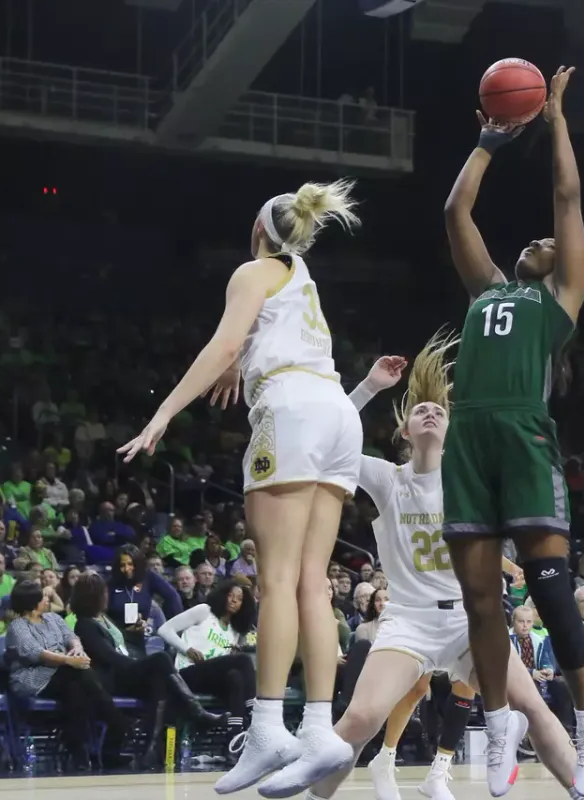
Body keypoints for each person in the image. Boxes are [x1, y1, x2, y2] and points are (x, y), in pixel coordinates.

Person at [118, 179, 362, 794]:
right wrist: (239, 358)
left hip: (292, 409)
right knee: (314, 580)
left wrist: (164, 413)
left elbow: (227, 337)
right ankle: (316, 729)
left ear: (258, 232)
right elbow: (259, 335)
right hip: (339, 413)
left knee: (276, 580)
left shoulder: (251, 271)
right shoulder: (301, 274)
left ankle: (267, 728)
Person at [261, 344, 581, 800]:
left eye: (438, 411)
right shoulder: (387, 479)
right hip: (409, 621)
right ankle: (315, 796)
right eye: (420, 411)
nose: (430, 412)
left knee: (532, 706)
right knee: (360, 719)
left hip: (470, 620)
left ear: (451, 431)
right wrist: (370, 386)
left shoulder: (469, 476)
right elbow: (323, 440)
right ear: (405, 431)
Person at [439, 65, 584, 798]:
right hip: (469, 439)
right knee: (481, 600)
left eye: (549, 241)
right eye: (534, 239)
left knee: (552, 589)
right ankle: (500, 724)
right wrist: (487, 143)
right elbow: (455, 214)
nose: (541, 239)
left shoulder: (561, 300)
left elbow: (567, 198)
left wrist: (557, 121)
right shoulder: (487, 291)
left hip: (523, 435)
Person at [70, 572, 226, 765]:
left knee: (159, 683)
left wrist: (135, 635)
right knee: (160, 659)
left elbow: (123, 645)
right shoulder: (84, 625)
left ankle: (152, 751)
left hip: (125, 672)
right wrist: (140, 665)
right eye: (103, 593)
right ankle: (196, 711)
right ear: (92, 596)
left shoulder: (104, 618)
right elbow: (109, 657)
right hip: (111, 679)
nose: (107, 596)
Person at [4, 579, 129, 772]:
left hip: (66, 676)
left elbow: (72, 637)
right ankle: (115, 721)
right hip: (34, 679)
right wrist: (68, 660)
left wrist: (77, 650)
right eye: (43, 597)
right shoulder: (18, 626)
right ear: (31, 602)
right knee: (75, 674)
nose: (48, 599)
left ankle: (78, 750)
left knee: (75, 689)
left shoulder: (54, 619)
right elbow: (35, 653)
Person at [157, 577, 259, 754]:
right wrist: (186, 649)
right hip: (186, 674)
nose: (234, 600)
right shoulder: (204, 611)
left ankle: (234, 739)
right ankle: (254, 710)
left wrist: (230, 656)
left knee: (235, 676)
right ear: (222, 595)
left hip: (210, 678)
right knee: (243, 660)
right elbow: (164, 629)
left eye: (240, 598)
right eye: (231, 595)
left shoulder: (234, 632)